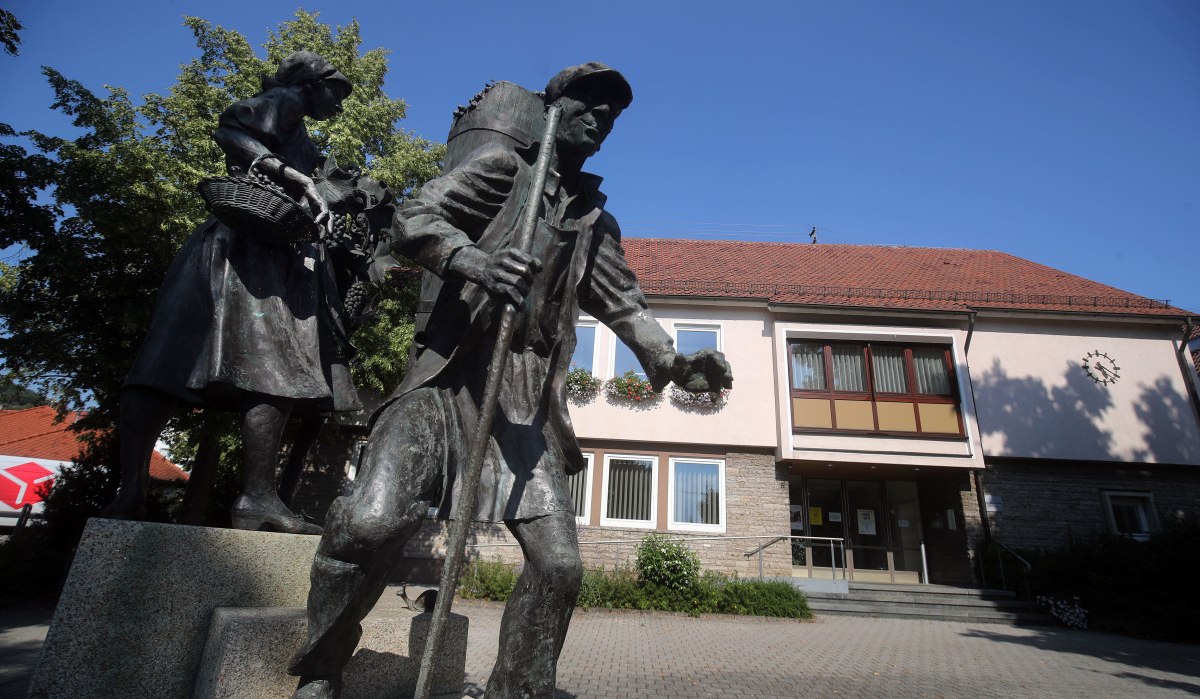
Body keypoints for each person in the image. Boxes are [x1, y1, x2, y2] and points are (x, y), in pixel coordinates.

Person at [286, 62, 733, 698]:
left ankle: (516, 691)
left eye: (611, 114)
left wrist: (672, 361)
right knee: (368, 525)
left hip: (523, 406)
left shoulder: (592, 225)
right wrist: (475, 260)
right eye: (589, 105)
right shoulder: (503, 172)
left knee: (558, 567)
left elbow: (626, 305)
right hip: (448, 381)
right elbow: (414, 217)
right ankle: (322, 669)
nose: (600, 120)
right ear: (554, 109)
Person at [108, 51, 362, 534]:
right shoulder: (286, 101)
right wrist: (295, 176)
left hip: (222, 247)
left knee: (163, 362)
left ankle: (131, 490)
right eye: (338, 92)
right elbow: (230, 128)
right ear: (314, 83)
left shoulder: (299, 124)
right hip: (253, 251)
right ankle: (257, 499)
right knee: (275, 369)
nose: (340, 105)